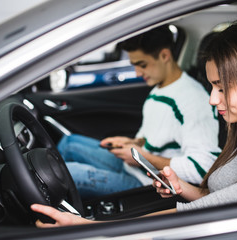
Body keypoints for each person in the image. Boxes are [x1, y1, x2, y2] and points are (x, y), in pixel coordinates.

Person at [31, 20, 237, 227]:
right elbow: (215, 198)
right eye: (212, 87)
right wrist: (182, 188)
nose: (213, 99)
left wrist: (91, 229)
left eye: (222, 88)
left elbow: (206, 212)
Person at [56, 25, 220, 198]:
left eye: (142, 65)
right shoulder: (162, 87)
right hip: (135, 165)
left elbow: (202, 168)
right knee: (69, 143)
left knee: (61, 175)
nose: (137, 72)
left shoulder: (193, 101)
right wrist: (132, 142)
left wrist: (143, 158)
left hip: (146, 183)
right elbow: (158, 138)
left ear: (165, 55)